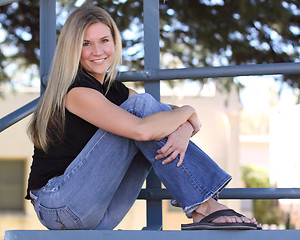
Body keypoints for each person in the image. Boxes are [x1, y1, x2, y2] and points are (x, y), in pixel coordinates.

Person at [26, 5, 261, 231]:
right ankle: (204, 205)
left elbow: (162, 113)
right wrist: (188, 112)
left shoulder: (114, 91)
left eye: (104, 41)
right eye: (86, 44)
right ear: (72, 49)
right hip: (58, 205)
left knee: (148, 108)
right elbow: (144, 129)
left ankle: (203, 205)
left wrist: (185, 127)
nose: (97, 51)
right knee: (142, 110)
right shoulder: (76, 91)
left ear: (115, 43)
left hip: (98, 212)